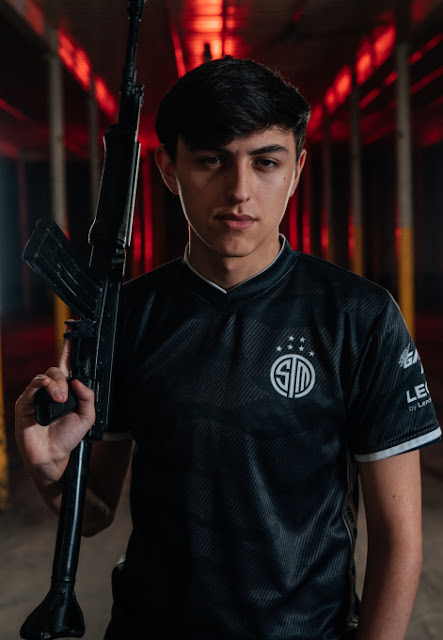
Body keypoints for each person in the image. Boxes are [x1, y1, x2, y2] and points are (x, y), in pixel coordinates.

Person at [16, 56, 441, 640]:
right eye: (212, 160)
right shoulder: (127, 317)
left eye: (266, 162)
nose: (240, 191)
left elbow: (398, 542)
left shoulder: (358, 316)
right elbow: (95, 513)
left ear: (296, 170)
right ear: (169, 169)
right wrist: (50, 471)